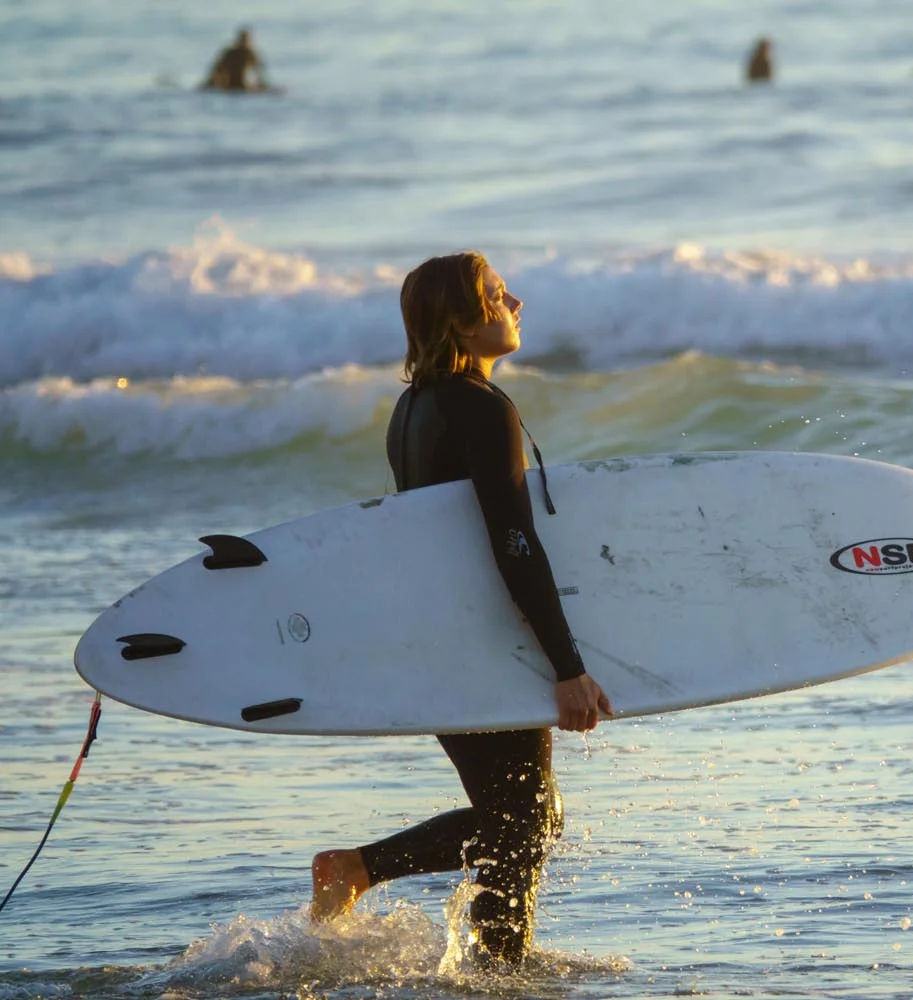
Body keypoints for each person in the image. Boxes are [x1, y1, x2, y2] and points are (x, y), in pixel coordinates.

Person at [309, 251, 615, 966]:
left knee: (523, 820)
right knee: (525, 821)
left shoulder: (414, 408)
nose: (517, 303)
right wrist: (567, 667)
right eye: (500, 295)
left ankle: (498, 965)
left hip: (441, 635)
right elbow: (513, 542)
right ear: (463, 320)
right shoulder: (480, 407)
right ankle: (358, 869)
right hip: (483, 639)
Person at [201, 26, 271, 92]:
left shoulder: (248, 54)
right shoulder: (232, 53)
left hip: (238, 85)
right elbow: (217, 69)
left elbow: (259, 73)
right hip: (231, 85)